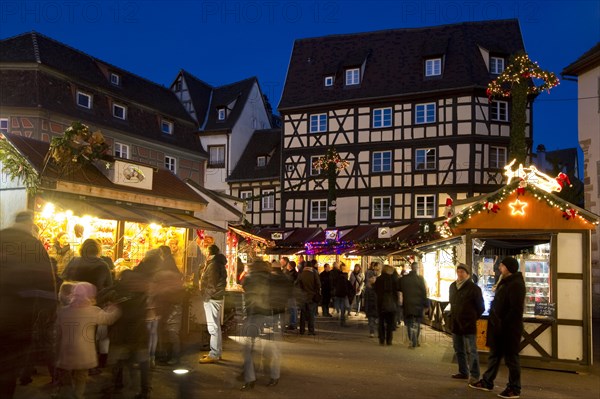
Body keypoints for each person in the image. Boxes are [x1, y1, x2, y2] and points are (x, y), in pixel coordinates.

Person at [0, 211, 57, 398]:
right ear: (31, 225)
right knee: (7, 368)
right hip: (17, 320)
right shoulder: (34, 245)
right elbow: (47, 284)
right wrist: (49, 313)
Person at [469, 257, 526, 398]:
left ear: (508, 267)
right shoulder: (505, 282)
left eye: (501, 265)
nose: (499, 268)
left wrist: (503, 323)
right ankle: (487, 382)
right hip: (499, 327)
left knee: (511, 359)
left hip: (508, 329)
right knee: (494, 356)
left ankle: (514, 388)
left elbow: (515, 309)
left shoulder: (516, 284)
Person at [55, 282, 120, 399]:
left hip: (66, 350)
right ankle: (78, 395)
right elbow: (108, 319)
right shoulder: (93, 311)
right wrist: (114, 308)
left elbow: (58, 330)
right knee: (81, 376)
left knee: (65, 374)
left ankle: (64, 394)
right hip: (83, 352)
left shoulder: (63, 311)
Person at [449, 263, 484, 383]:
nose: (459, 274)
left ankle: (474, 375)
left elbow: (481, 307)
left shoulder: (474, 288)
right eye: (458, 272)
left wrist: (472, 317)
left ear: (467, 274)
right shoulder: (453, 286)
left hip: (468, 324)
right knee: (458, 349)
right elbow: (452, 302)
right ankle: (463, 372)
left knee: (472, 351)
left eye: (462, 272)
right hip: (456, 323)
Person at [198, 244, 228, 363]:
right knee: (215, 326)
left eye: (205, 250)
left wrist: (206, 296)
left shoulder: (214, 265)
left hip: (212, 298)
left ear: (209, 252)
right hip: (215, 297)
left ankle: (214, 353)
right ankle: (216, 352)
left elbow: (212, 284)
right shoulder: (215, 263)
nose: (204, 252)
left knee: (213, 327)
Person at [399, 261, 428, 348]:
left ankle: (411, 340)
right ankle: (416, 339)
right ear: (417, 268)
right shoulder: (420, 279)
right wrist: (426, 305)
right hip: (418, 305)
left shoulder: (404, 279)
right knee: (417, 323)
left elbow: (399, 288)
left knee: (409, 323)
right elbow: (424, 292)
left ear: (411, 268)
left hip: (408, 304)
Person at [374, 263, 400, 345]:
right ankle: (389, 340)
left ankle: (382, 339)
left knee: (381, 322)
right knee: (390, 323)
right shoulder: (395, 280)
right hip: (392, 304)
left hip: (381, 303)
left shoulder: (379, 279)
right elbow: (397, 291)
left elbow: (376, 290)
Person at [296, 259, 321, 335]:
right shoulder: (314, 273)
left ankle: (302, 330)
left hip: (303, 297)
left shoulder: (301, 273)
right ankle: (311, 330)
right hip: (312, 296)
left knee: (303, 314)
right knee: (311, 314)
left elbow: (297, 284)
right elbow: (318, 284)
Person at [330, 262, 351, 326]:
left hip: (337, 292)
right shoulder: (343, 275)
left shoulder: (333, 273)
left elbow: (332, 282)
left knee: (338, 305)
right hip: (342, 293)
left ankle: (337, 315)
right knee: (343, 307)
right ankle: (342, 319)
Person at [364, 262, 379, 338]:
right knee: (372, 320)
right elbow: (366, 299)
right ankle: (372, 332)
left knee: (372, 321)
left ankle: (372, 332)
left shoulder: (370, 289)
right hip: (373, 307)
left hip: (372, 307)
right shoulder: (377, 288)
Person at [282, 259, 298, 331]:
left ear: (290, 266)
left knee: (292, 309)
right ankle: (292, 323)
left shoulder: (292, 274)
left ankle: (293, 324)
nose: (287, 267)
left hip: (291, 294)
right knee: (292, 309)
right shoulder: (294, 273)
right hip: (292, 293)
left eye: (288, 265)